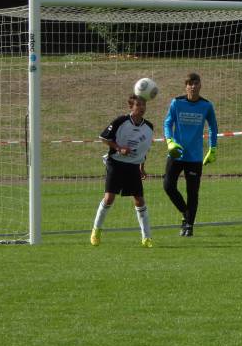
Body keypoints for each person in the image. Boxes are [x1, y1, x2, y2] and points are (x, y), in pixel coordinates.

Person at [90, 94, 155, 247]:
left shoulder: (149, 127)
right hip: (116, 163)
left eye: (144, 105)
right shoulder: (121, 121)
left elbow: (143, 149)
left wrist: (142, 167)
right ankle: (96, 231)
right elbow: (104, 138)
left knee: (139, 200)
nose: (142, 108)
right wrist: (119, 148)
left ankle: (146, 238)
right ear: (131, 107)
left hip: (133, 166)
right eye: (138, 105)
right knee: (109, 198)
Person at [163, 72, 218, 237]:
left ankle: (189, 225)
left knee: (192, 192)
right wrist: (170, 141)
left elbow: (213, 128)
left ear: (200, 85)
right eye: (190, 84)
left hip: (194, 157)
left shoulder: (206, 106)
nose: (193, 86)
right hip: (176, 153)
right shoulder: (177, 103)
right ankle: (186, 214)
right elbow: (167, 123)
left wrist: (213, 149)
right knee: (168, 186)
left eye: (196, 83)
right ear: (185, 86)